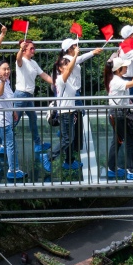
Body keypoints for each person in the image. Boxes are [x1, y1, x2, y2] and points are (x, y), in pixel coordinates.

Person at [105, 49, 133, 181]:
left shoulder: (117, 79)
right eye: (125, 66)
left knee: (117, 142)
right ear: (119, 69)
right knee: (130, 142)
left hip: (118, 114)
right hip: (119, 115)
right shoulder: (117, 81)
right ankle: (131, 171)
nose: (127, 67)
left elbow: (123, 96)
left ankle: (112, 169)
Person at [14, 39, 53, 161]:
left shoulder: (33, 63)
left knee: (33, 119)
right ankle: (3, 143)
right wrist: (20, 48)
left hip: (28, 96)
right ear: (24, 50)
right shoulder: (21, 61)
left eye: (34, 48)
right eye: (31, 48)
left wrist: (57, 83)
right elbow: (18, 58)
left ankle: (37, 144)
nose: (33, 50)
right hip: (20, 95)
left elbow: (44, 76)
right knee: (14, 121)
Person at [0, 58, 24, 179]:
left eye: (8, 69)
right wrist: (2, 82)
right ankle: (13, 170)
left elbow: (7, 98)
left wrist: (13, 111)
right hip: (1, 120)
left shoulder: (6, 82)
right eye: (4, 69)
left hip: (1, 118)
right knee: (11, 145)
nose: (7, 71)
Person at [52, 43, 83, 171]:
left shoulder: (67, 80)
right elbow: (69, 69)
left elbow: (71, 71)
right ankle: (49, 157)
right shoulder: (61, 79)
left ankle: (68, 161)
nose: (68, 68)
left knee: (69, 139)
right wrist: (75, 54)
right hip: (65, 113)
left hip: (70, 112)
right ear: (60, 68)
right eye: (65, 65)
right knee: (66, 140)